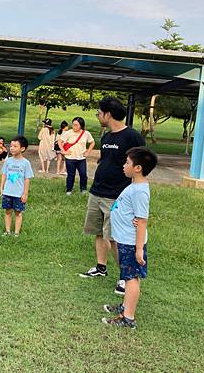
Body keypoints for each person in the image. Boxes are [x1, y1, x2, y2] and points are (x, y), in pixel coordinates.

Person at [80, 96, 146, 296]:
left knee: (116, 238)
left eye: (99, 112)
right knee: (99, 232)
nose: (98, 116)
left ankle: (125, 277)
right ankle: (101, 267)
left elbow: (142, 165)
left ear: (108, 114)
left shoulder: (132, 137)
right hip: (97, 191)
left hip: (116, 196)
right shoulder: (107, 137)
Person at [101, 147, 157, 329]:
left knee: (131, 277)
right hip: (126, 239)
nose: (124, 166)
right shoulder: (135, 185)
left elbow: (142, 221)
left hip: (131, 242)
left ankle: (128, 318)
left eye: (127, 163)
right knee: (127, 276)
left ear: (138, 168)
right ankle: (126, 306)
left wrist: (139, 249)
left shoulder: (139, 190)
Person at [0, 135, 34, 237]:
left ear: (22, 149)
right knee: (8, 211)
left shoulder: (26, 163)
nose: (12, 148)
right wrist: (1, 187)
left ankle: (17, 233)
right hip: (7, 192)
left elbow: (27, 179)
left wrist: (25, 193)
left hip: (18, 194)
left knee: (18, 212)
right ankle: (8, 231)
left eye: (15, 146)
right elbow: (4, 174)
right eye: (11, 146)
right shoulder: (8, 161)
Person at [59, 117, 95, 195]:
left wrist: (88, 152)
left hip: (81, 158)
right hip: (70, 158)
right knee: (71, 175)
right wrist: (64, 151)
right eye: (73, 125)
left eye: (76, 125)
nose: (74, 127)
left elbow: (92, 143)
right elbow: (59, 141)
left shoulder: (86, 133)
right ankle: (69, 190)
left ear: (81, 125)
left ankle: (83, 189)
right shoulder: (68, 132)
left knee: (83, 174)